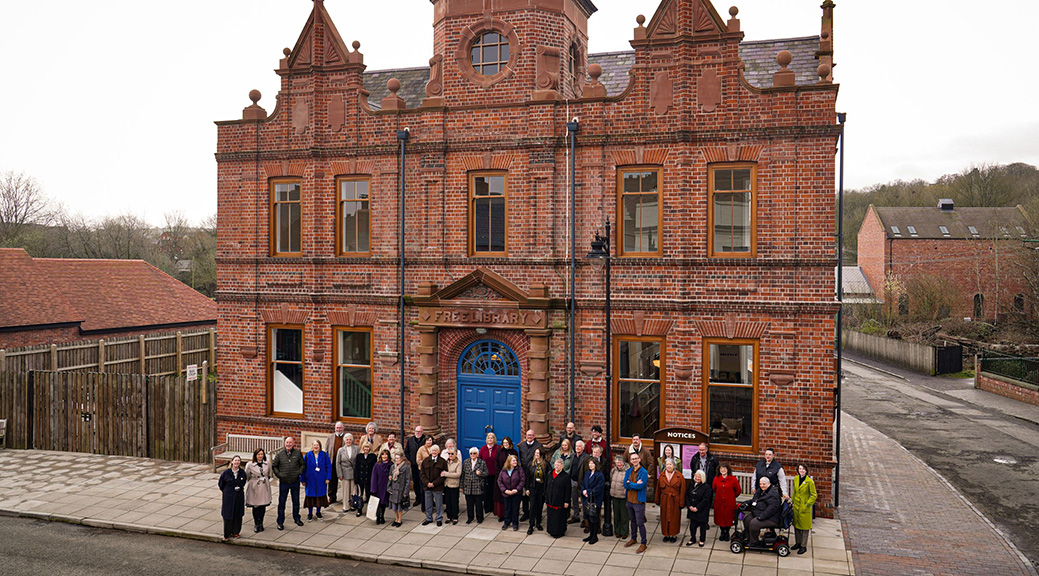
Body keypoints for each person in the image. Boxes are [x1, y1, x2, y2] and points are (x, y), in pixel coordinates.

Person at [272, 436, 305, 530]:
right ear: (284, 443)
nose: (288, 444)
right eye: (287, 442)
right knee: (282, 502)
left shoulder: (298, 453)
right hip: (284, 482)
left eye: (290, 442)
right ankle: (280, 522)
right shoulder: (280, 454)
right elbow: (274, 466)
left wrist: (299, 473)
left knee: (296, 501)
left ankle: (297, 518)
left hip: (295, 482)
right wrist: (279, 475)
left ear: (293, 443)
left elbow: (302, 464)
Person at [623, 451, 649, 554]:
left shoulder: (643, 472)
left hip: (638, 502)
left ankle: (643, 543)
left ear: (639, 459)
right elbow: (625, 484)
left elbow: (641, 486)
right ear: (630, 461)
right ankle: (633, 538)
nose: (634, 460)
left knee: (640, 523)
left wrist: (630, 484)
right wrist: (633, 484)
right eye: (632, 459)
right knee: (632, 521)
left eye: (636, 458)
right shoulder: (628, 471)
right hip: (629, 500)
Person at [744, 477, 782, 546]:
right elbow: (754, 500)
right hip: (759, 512)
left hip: (771, 518)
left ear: (768, 484)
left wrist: (760, 517)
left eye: (764, 484)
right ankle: (749, 538)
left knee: (754, 523)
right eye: (760, 484)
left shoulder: (773, 495)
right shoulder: (761, 490)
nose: (762, 486)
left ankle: (754, 542)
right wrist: (746, 503)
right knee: (747, 519)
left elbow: (771, 509)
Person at [656, 457, 686, 543]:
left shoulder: (680, 476)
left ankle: (674, 534)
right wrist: (657, 500)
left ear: (674, 465)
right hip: (664, 499)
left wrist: (682, 502)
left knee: (674, 518)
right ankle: (666, 534)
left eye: (670, 464)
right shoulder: (661, 476)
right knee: (664, 517)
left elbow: (683, 490)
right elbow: (658, 489)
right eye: (667, 464)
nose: (668, 466)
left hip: (675, 500)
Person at [218, 455, 247, 541]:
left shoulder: (242, 473)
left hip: (238, 496)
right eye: (235, 460)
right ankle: (227, 534)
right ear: (232, 462)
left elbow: (243, 482)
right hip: (229, 497)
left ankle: (236, 532)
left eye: (238, 460)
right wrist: (228, 491)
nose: (237, 462)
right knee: (228, 514)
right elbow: (221, 484)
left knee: (237, 514)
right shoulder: (226, 473)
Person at [711, 462, 742, 541]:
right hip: (719, 502)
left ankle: (727, 532)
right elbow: (714, 489)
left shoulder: (733, 479)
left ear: (728, 469)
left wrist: (731, 496)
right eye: (721, 468)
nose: (723, 470)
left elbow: (738, 490)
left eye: (724, 468)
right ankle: (722, 532)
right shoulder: (716, 478)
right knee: (720, 517)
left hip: (729, 502)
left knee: (729, 518)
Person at [516, 429, 542, 522]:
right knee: (524, 494)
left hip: (533, 473)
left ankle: (534, 513)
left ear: (534, 436)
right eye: (528, 435)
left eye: (531, 435)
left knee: (533, 494)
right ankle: (525, 512)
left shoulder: (538, 446)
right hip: (523, 472)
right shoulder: (521, 445)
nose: (529, 436)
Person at [792, 463, 817, 555]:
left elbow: (814, 495)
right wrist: (792, 501)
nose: (801, 470)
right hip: (796, 506)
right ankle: (798, 543)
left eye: (803, 469)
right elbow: (794, 491)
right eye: (800, 469)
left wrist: (807, 504)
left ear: (806, 471)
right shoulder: (796, 479)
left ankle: (803, 546)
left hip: (804, 507)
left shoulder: (809, 482)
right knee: (796, 525)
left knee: (804, 527)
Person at [244, 448, 272, 533]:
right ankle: (256, 523)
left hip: (264, 486)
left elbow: (269, 474)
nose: (260, 456)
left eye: (262, 454)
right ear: (255, 455)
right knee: (255, 506)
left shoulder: (267, 463)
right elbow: (247, 476)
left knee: (262, 506)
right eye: (258, 454)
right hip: (254, 486)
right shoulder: (250, 465)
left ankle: (261, 523)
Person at [302, 440, 331, 520]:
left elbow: (328, 467)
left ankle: (318, 512)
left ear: (320, 446)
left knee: (319, 496)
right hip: (310, 480)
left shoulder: (324, 455)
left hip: (321, 479)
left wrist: (328, 478)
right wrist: (303, 479)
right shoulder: (307, 456)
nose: (316, 447)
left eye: (317, 445)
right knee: (310, 497)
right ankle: (310, 513)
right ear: (312, 446)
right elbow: (303, 469)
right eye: (314, 445)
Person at [421, 444, 448, 526]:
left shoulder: (442, 461)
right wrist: (427, 483)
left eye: (436, 450)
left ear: (439, 451)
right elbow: (422, 474)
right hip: (427, 487)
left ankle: (439, 519)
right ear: (430, 451)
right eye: (433, 450)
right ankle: (429, 518)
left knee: (439, 504)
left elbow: (443, 475)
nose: (434, 452)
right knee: (428, 504)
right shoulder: (425, 461)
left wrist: (434, 483)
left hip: (437, 487)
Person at [580, 456, 605, 545]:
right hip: (587, 499)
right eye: (589, 463)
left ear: (596, 464)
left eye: (592, 463)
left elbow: (599, 488)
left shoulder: (599, 475)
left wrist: (588, 492)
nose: (590, 465)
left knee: (594, 518)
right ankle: (591, 535)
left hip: (595, 500)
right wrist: (583, 491)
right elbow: (583, 483)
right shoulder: (587, 473)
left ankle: (595, 536)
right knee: (588, 518)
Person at [497, 453, 525, 531]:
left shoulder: (519, 469)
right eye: (513, 460)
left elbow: (522, 480)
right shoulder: (503, 470)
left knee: (515, 509)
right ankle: (507, 522)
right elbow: (499, 481)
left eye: (516, 460)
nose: (515, 462)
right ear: (509, 462)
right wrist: (505, 490)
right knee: (507, 508)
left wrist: (517, 489)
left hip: (516, 493)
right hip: (506, 493)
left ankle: (515, 523)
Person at [685, 469, 713, 547]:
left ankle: (702, 540)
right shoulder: (691, 484)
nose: (697, 478)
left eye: (699, 477)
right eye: (696, 476)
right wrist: (689, 506)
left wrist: (697, 508)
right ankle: (692, 538)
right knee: (692, 526)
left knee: (702, 526)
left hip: (702, 510)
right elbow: (687, 495)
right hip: (692, 509)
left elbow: (706, 500)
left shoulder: (707, 487)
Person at [544, 458, 571, 538]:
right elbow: (546, 486)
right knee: (551, 516)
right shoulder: (550, 474)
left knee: (559, 517)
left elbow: (568, 490)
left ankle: (559, 532)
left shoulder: (566, 476)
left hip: (560, 500)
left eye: (558, 465)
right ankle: (551, 530)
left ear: (562, 466)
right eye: (555, 465)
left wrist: (566, 501)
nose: (556, 466)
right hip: (550, 499)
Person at [461, 446, 488, 524]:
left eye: (474, 453)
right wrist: (461, 486)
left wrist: (480, 473)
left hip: (477, 486)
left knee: (478, 504)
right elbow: (463, 475)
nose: (472, 455)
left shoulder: (482, 462)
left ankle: (480, 517)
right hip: (468, 486)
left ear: (477, 454)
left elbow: (486, 473)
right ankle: (470, 517)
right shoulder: (466, 462)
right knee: (469, 504)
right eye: (471, 453)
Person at [404, 425, 428, 510]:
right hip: (414, 465)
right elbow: (406, 451)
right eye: (416, 431)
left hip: (424, 467)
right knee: (416, 482)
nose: (417, 433)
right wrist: (411, 460)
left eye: (419, 432)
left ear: (422, 432)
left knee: (423, 482)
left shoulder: (425, 440)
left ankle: (426, 499)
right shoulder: (410, 440)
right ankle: (418, 498)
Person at [525, 446, 547, 534]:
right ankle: (531, 525)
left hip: (541, 488)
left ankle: (538, 523)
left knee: (540, 506)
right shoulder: (530, 464)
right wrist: (527, 488)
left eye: (538, 453)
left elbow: (547, 477)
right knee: (532, 506)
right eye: (536, 453)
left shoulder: (546, 464)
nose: (536, 455)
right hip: (533, 487)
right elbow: (527, 477)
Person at [478, 433, 500, 521]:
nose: (490, 439)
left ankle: (494, 508)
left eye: (492, 438)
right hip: (486, 474)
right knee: (486, 491)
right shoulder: (483, 449)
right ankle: (487, 507)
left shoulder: (498, 448)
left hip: (495, 474)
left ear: (494, 439)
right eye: (489, 438)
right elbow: (479, 460)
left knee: (494, 491)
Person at [387, 451, 411, 527]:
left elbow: (407, 480)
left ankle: (399, 520)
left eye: (398, 458)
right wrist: (389, 488)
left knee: (400, 506)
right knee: (394, 507)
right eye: (395, 458)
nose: (396, 460)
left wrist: (405, 492)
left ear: (401, 459)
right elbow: (390, 477)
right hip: (393, 489)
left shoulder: (406, 467)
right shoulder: (392, 467)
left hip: (401, 489)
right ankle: (396, 518)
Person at [336, 432, 359, 513]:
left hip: (353, 472)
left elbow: (358, 461)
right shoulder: (340, 450)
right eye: (347, 440)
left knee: (353, 490)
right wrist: (339, 474)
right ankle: (346, 506)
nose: (348, 441)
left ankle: (353, 504)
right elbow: (338, 463)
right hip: (344, 472)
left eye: (350, 439)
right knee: (345, 491)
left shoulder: (356, 448)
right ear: (344, 440)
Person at [325, 422, 347, 506]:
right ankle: (332, 497)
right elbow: (326, 449)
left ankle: (346, 498)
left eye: (340, 428)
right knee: (332, 481)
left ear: (343, 428)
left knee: (344, 481)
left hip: (342, 462)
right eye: (337, 428)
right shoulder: (330, 437)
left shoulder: (346, 437)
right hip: (332, 461)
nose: (338, 429)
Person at [609, 455, 629, 540]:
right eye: (617, 462)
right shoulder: (613, 470)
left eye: (620, 462)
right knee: (616, 515)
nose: (619, 464)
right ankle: (617, 531)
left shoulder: (627, 471)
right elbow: (611, 479)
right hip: (615, 496)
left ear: (623, 462)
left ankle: (624, 532)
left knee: (624, 515)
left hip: (623, 496)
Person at [353, 442, 376, 517]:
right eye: (365, 447)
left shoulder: (373, 456)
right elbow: (356, 468)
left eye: (368, 447)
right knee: (360, 495)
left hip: (369, 478)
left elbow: (374, 469)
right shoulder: (359, 456)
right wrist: (356, 479)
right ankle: (359, 510)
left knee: (369, 495)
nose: (366, 449)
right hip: (360, 478)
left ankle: (370, 511)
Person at [370, 449, 392, 524]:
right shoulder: (377, 465)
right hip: (378, 486)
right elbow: (374, 477)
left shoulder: (391, 465)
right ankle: (377, 516)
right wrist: (373, 489)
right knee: (377, 503)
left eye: (386, 454)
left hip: (386, 486)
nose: (384, 456)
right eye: (383, 454)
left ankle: (382, 516)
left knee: (383, 503)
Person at [569, 440, 588, 523]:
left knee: (584, 501)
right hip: (573, 481)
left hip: (582, 482)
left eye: (579, 446)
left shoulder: (586, 457)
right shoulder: (572, 456)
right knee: (574, 500)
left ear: (583, 448)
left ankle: (585, 519)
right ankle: (576, 516)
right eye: (576, 446)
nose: (577, 448)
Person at [415, 435, 435, 513]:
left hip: (432, 472)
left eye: (430, 440)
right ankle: (424, 508)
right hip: (423, 472)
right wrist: (426, 464)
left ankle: (431, 506)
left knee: (432, 490)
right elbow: (418, 460)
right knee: (424, 490)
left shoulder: (434, 448)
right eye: (427, 440)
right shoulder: (421, 449)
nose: (429, 442)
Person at [443, 447, 462, 524]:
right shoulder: (446, 462)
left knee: (454, 501)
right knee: (448, 501)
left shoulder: (458, 463)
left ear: (456, 454)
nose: (450, 455)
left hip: (454, 485)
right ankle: (449, 516)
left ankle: (455, 517)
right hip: (447, 484)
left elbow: (458, 474)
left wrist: (446, 474)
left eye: (452, 454)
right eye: (449, 453)